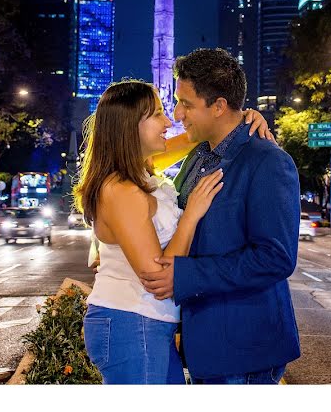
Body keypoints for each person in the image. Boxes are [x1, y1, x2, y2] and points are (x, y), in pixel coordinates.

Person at [74, 79, 273, 384]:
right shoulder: (121, 189)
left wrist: (243, 117)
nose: (169, 121)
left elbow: (198, 136)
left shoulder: (142, 167)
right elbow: (159, 278)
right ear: (129, 127)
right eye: (156, 115)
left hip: (148, 324)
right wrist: (191, 214)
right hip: (131, 320)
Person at [139, 48, 301, 384]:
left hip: (244, 350)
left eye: (187, 104)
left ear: (218, 106)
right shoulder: (197, 156)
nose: (178, 113)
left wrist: (186, 275)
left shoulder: (267, 161)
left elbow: (275, 258)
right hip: (203, 345)